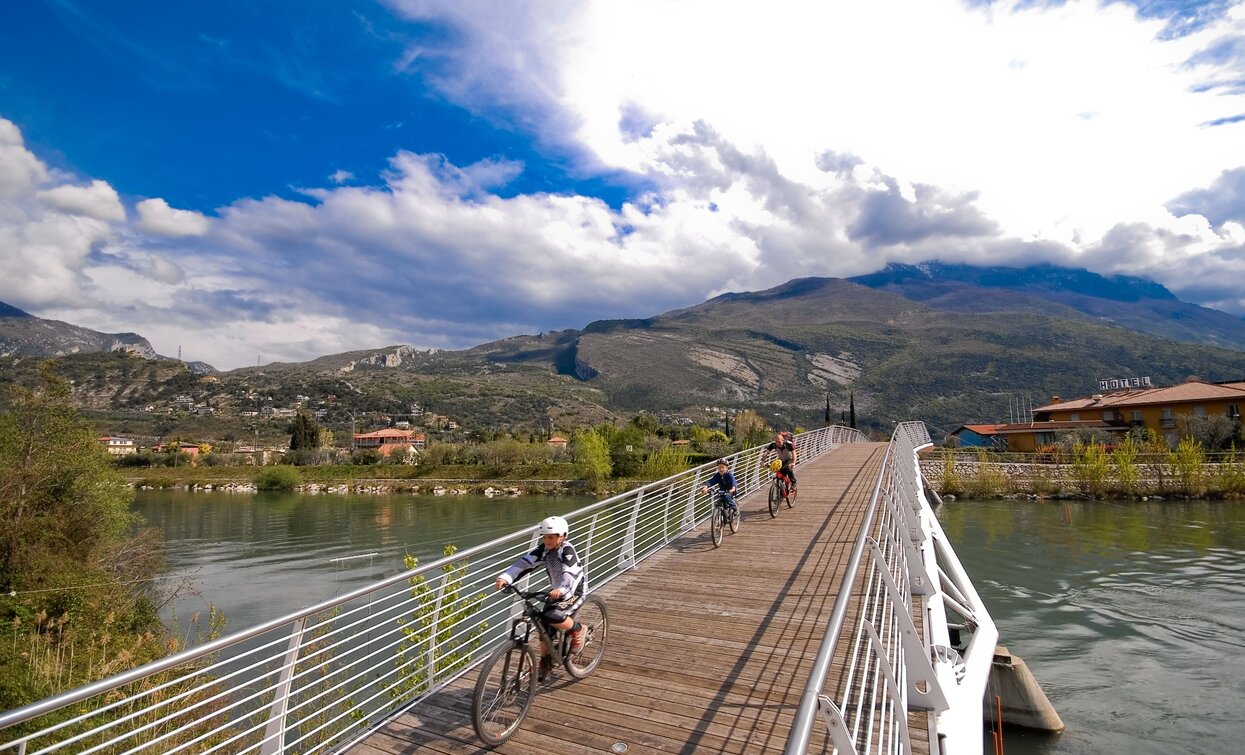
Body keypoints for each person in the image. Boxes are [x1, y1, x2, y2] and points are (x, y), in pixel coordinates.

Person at [495, 515, 586, 680]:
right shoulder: (544, 550)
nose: (547, 540)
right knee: (543, 625)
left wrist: (562, 590)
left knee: (553, 615)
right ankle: (545, 662)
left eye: (551, 537)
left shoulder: (567, 550)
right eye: (544, 537)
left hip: (573, 590)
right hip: (556, 591)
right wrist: (505, 578)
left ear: (563, 536)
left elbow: (570, 574)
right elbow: (524, 563)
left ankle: (578, 629)